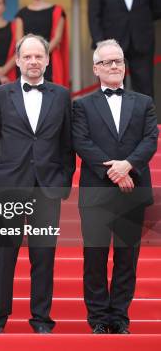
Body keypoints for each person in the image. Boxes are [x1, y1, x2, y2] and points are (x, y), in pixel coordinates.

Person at [0, 34, 75, 334]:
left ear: (47, 60)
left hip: (47, 187)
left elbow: (67, 144)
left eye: (39, 56)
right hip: (11, 185)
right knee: (4, 256)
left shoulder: (62, 96)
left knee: (44, 257)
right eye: (28, 57)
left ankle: (41, 319)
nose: (33, 61)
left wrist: (62, 181)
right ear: (18, 60)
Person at [73, 39, 158, 334]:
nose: (114, 66)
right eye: (108, 62)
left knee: (126, 258)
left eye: (118, 61)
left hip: (132, 189)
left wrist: (128, 166)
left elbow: (150, 140)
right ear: (96, 68)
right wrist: (114, 171)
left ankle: (119, 318)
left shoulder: (144, 102)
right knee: (94, 258)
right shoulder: (81, 105)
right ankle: (97, 318)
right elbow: (81, 142)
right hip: (97, 190)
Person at [88, 0, 161, 98]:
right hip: (110, 44)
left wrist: (140, 24)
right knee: (112, 90)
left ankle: (143, 122)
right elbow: (94, 13)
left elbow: (157, 9)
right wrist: (100, 43)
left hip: (142, 42)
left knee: (145, 89)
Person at [15, 0, 69, 88]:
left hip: (49, 61)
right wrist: (32, 55)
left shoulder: (57, 11)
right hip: (27, 61)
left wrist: (41, 55)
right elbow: (19, 41)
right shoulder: (21, 14)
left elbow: (57, 38)